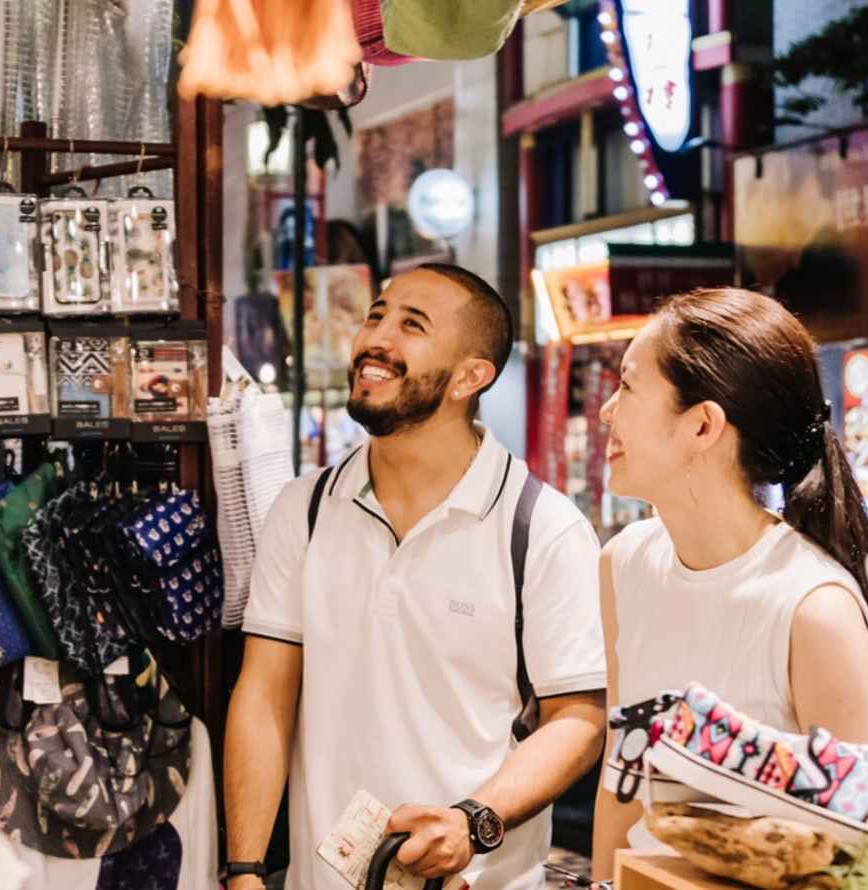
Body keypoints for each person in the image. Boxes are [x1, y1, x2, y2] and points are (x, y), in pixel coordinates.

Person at [224, 264, 608, 890]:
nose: (377, 339)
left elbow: (578, 718)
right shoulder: (307, 509)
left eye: (412, 325)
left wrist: (472, 820)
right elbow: (265, 693)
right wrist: (243, 870)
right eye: (377, 315)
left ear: (470, 377)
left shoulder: (541, 526)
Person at [590, 288, 868, 876]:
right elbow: (622, 772)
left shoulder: (812, 608)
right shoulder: (624, 563)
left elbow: (865, 850)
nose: (607, 412)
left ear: (702, 426)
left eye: (627, 386)